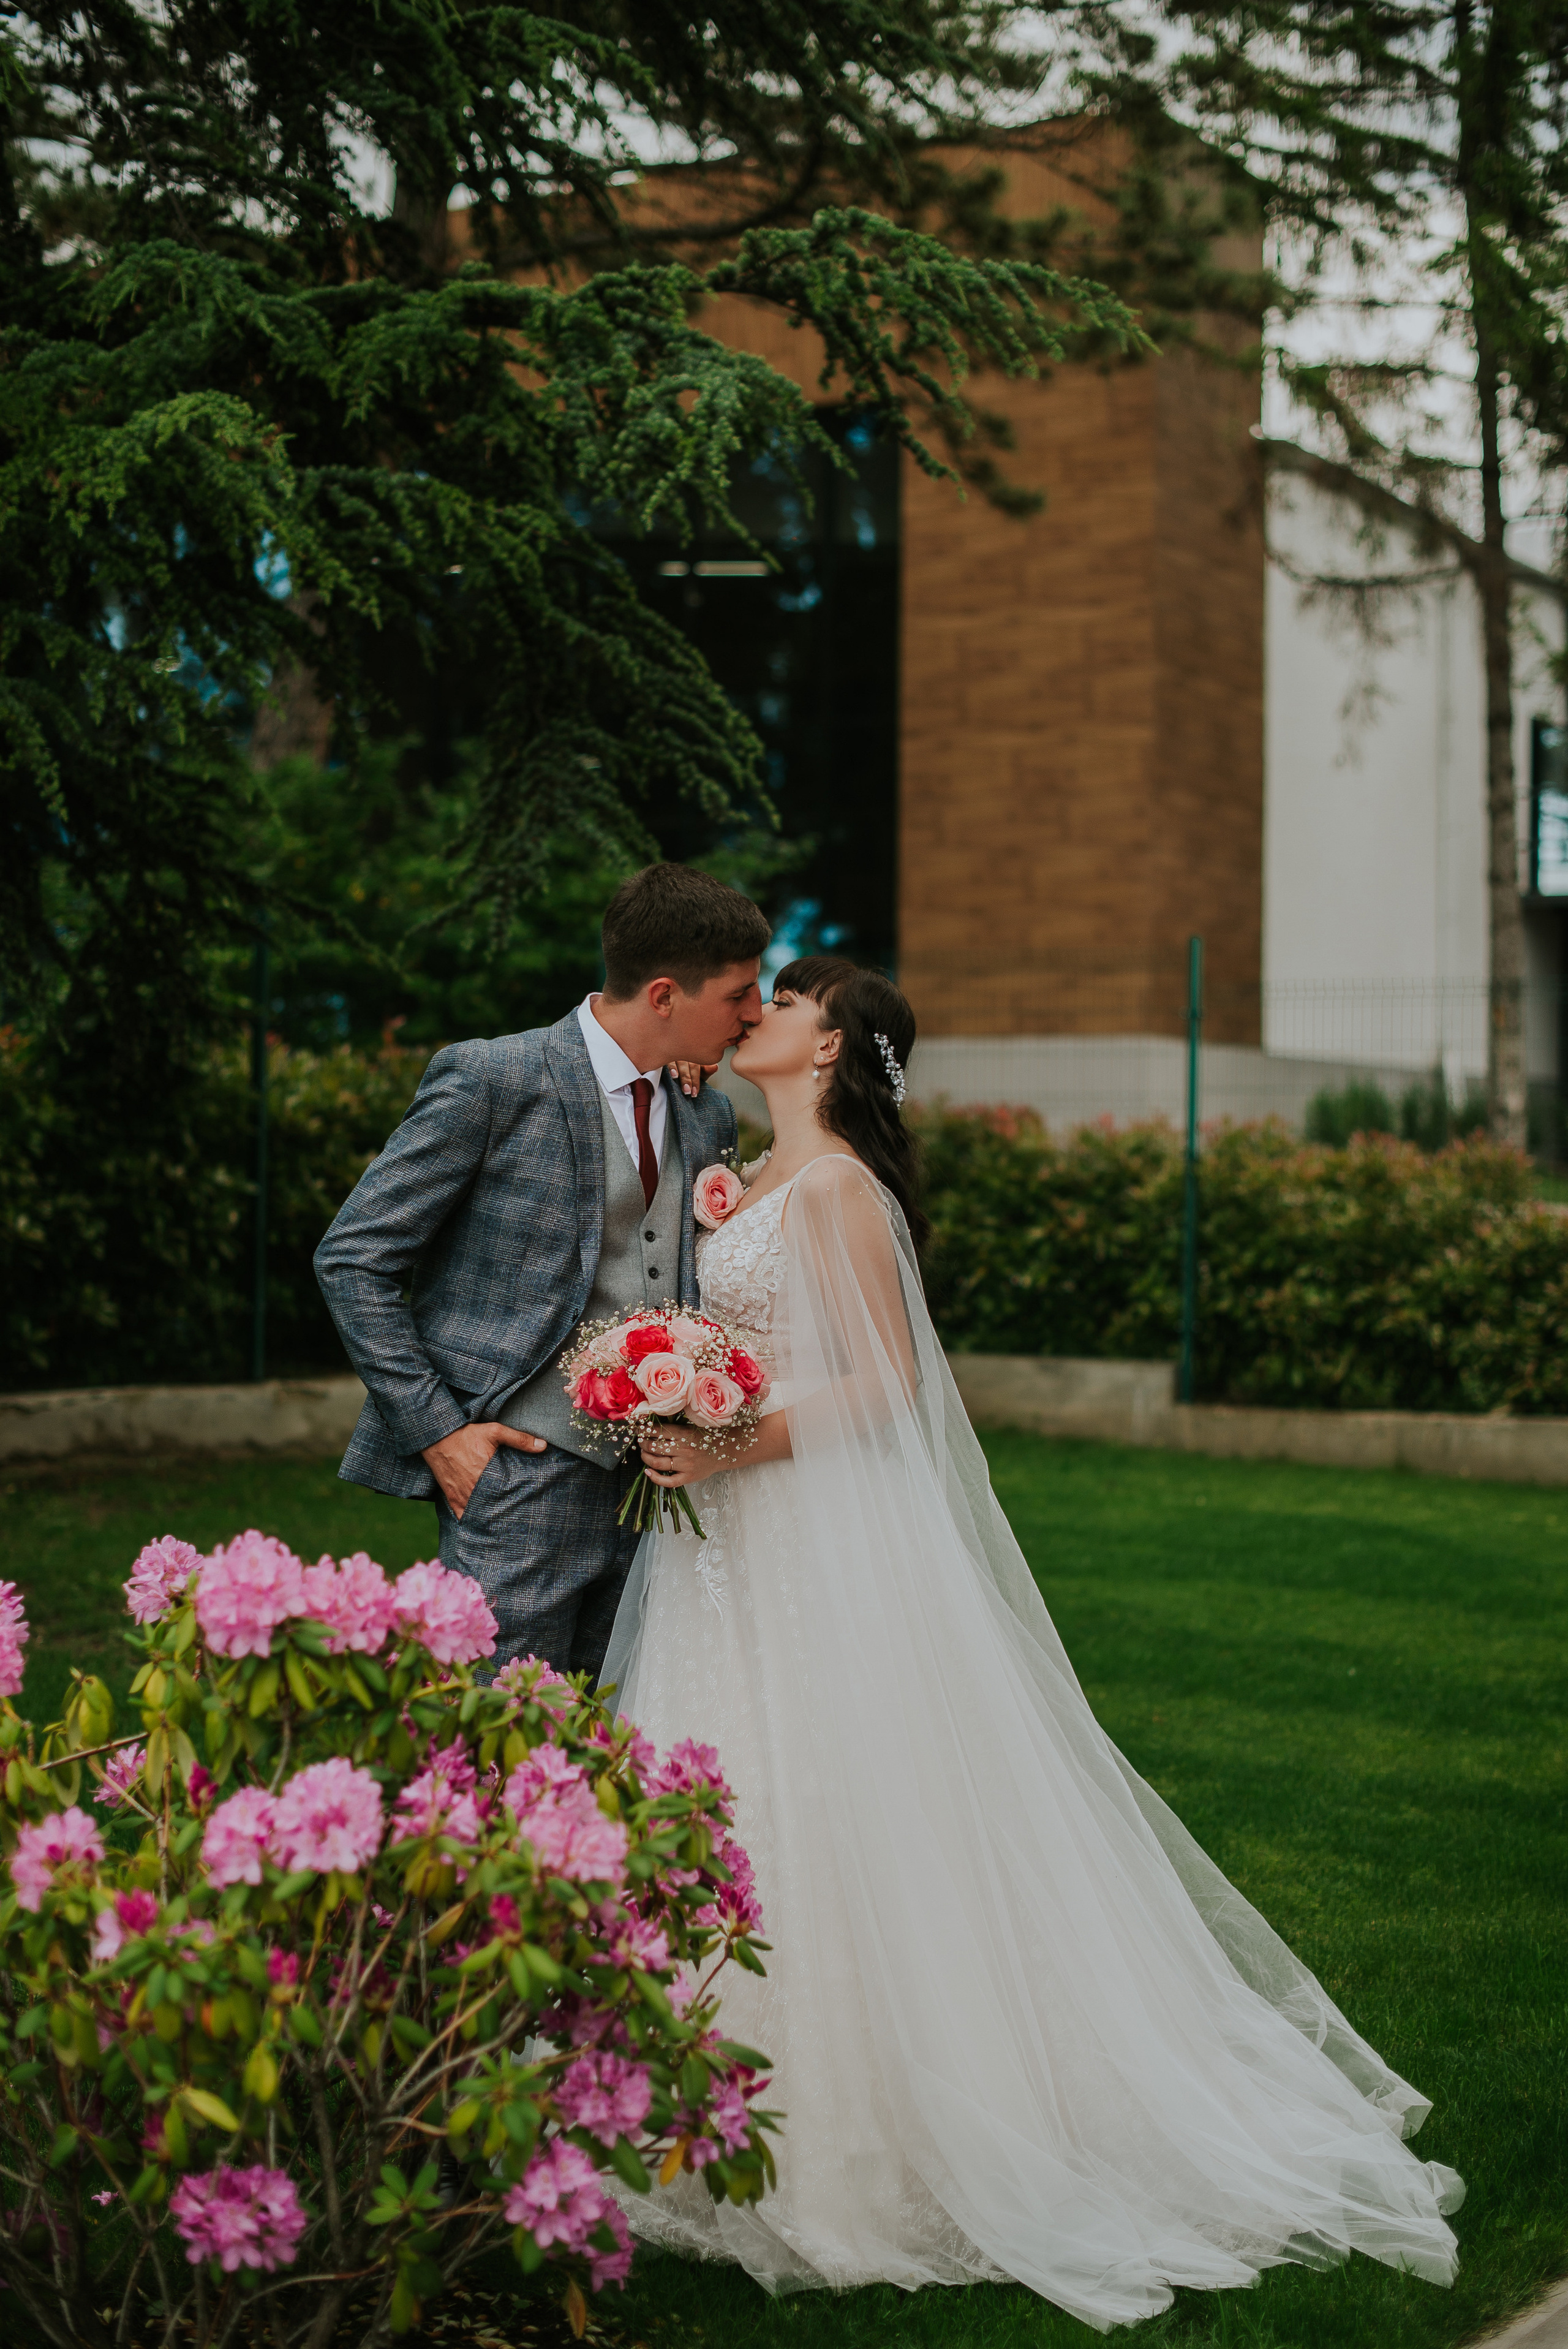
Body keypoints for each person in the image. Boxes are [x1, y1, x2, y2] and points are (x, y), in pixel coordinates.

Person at [600, 955, 1464, 2330]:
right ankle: (699, 2119)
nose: (758, 1007)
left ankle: (860, 2146)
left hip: (812, 1526)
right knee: (733, 1786)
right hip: (733, 1554)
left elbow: (882, 1384)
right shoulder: (747, 1179)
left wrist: (728, 1441)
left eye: (789, 1000)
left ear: (828, 1050)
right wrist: (679, 1402)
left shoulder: (831, 1190)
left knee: (835, 1807)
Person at [314, 863, 767, 1681]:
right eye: (737, 994)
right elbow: (354, 1258)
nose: (754, 1014)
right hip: (518, 1479)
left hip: (662, 1494)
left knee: (622, 1746)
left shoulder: (709, 1110)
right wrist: (441, 1434)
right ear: (664, 994)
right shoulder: (495, 1079)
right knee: (491, 1745)